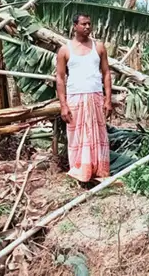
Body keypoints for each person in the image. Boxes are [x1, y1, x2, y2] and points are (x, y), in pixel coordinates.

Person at [56, 13, 113, 186]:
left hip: (95, 96)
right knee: (77, 136)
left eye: (89, 24)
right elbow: (59, 77)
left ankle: (99, 172)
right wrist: (63, 105)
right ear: (75, 26)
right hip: (75, 98)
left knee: (98, 134)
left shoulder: (99, 47)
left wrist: (108, 99)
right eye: (83, 24)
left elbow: (106, 73)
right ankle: (80, 172)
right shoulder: (65, 50)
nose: (87, 27)